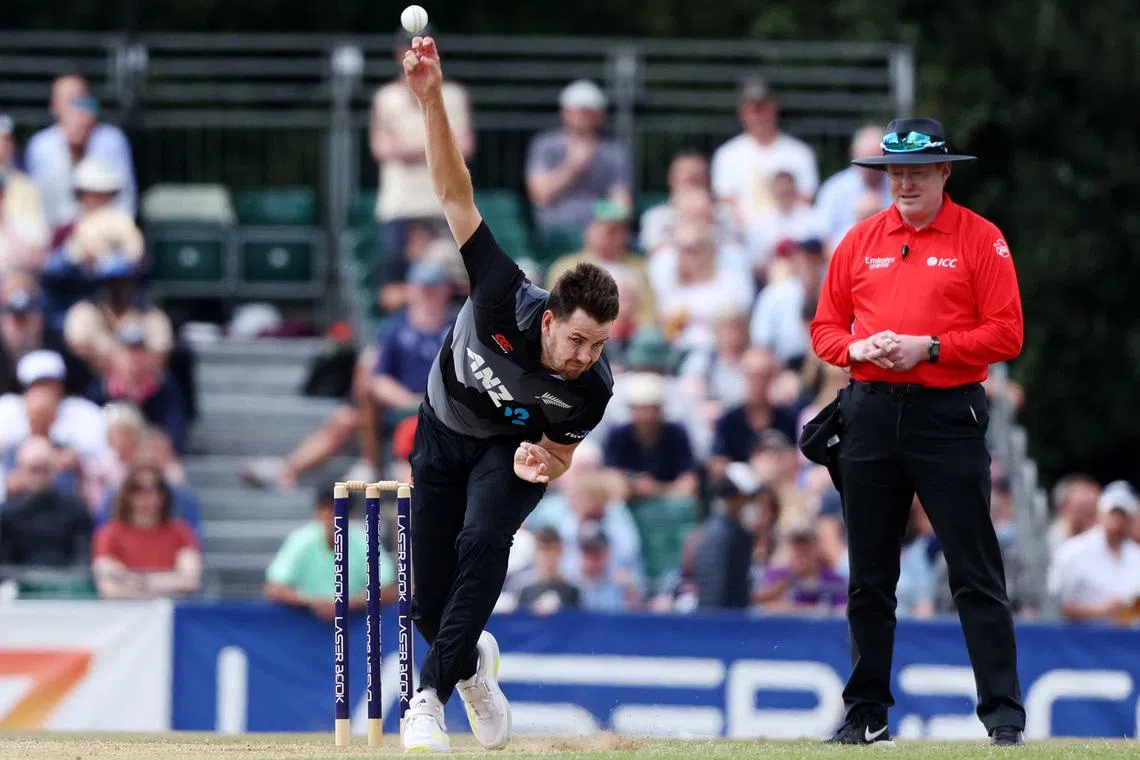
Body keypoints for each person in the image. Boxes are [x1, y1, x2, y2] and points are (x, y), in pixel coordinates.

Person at [398, 36, 620, 753]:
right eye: (576, 342)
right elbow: (453, 192)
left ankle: (425, 702)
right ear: (550, 320)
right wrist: (431, 98)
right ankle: (471, 672)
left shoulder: (592, 393)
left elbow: (555, 456)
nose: (584, 358)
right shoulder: (501, 294)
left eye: (598, 347)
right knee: (426, 598)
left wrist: (546, 467)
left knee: (485, 538)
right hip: (440, 429)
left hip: (506, 451)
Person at [807, 117, 1026, 746]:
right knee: (869, 575)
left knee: (974, 571)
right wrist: (861, 347)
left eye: (917, 172)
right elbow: (825, 330)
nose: (903, 183)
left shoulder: (981, 240)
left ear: (943, 173)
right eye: (894, 173)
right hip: (871, 411)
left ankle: (1003, 717)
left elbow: (1007, 334)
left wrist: (927, 347)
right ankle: (865, 712)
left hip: (947, 416)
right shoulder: (860, 239)